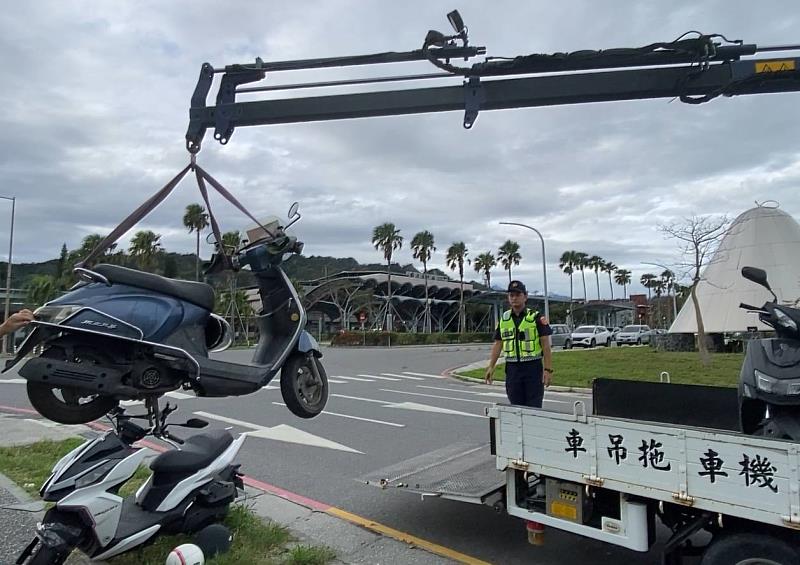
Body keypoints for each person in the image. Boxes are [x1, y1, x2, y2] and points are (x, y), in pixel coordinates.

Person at [484, 281, 553, 408]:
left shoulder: (535, 317)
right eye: (511, 295)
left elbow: (546, 346)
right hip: (512, 369)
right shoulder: (504, 319)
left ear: (525, 296)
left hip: (532, 368)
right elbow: (498, 344)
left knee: (534, 407)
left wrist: (548, 369)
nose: (514, 298)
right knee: (515, 407)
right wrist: (491, 366)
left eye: (517, 295)